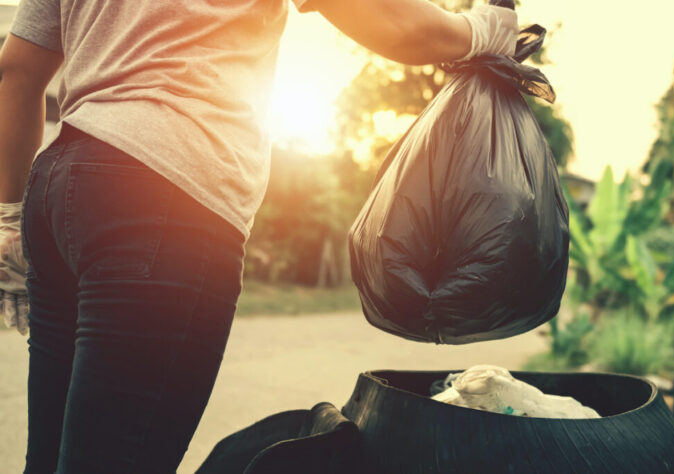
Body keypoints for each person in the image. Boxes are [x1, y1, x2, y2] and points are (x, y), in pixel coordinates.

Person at [0, 0, 518, 472]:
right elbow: (391, 22)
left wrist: (8, 219)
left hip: (61, 185)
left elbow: (17, 71)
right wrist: (481, 30)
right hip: (164, 194)